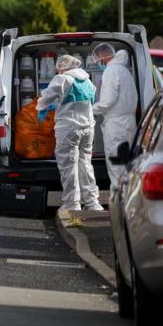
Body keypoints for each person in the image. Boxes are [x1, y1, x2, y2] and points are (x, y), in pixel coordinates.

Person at [37, 54, 101, 212]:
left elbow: (45, 99)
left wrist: (41, 106)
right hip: (87, 127)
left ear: (62, 67)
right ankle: (92, 202)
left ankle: (72, 204)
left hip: (69, 128)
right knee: (85, 164)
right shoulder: (86, 79)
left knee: (68, 166)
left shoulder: (63, 79)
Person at [91, 43, 137, 190]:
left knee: (116, 166)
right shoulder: (124, 71)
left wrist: (90, 110)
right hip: (129, 122)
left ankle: (119, 203)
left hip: (116, 125)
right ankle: (129, 202)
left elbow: (107, 101)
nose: (100, 65)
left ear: (104, 58)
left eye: (99, 62)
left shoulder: (111, 71)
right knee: (127, 164)